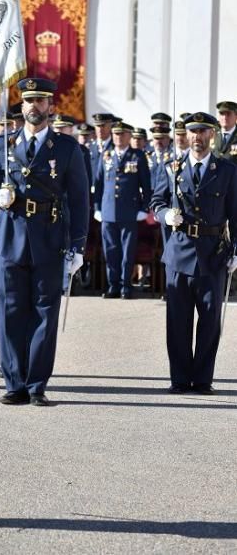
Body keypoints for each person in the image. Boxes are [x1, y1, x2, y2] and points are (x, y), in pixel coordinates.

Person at [0, 78, 89, 406]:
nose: (34, 107)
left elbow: (80, 201)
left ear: (51, 107)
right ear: (22, 106)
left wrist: (78, 247)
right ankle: (14, 382)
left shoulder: (67, 148)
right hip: (11, 234)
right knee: (9, 311)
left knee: (45, 311)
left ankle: (37, 383)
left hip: (49, 236)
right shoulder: (4, 145)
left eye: (41, 102)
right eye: (29, 101)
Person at [151, 111, 237, 394]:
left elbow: (235, 215)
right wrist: (166, 216)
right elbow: (157, 201)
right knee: (178, 320)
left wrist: (235, 250)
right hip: (179, 252)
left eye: (202, 131)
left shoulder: (227, 171)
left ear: (212, 135)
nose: (197, 137)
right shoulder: (171, 166)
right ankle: (179, 378)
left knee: (210, 319)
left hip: (213, 255)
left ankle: (202, 379)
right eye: (192, 132)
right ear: (186, 135)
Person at [94, 121, 151, 299]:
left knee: (127, 252)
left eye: (122, 134)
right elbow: (98, 184)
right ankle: (113, 286)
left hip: (129, 212)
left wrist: (143, 208)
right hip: (108, 211)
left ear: (129, 136)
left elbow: (146, 187)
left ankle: (126, 286)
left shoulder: (138, 156)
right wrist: (97, 208)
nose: (118, 137)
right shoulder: (106, 155)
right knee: (110, 251)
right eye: (116, 134)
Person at [89, 112, 115, 178]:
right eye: (98, 126)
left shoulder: (116, 146)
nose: (100, 129)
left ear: (110, 126)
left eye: (103, 125)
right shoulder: (89, 147)